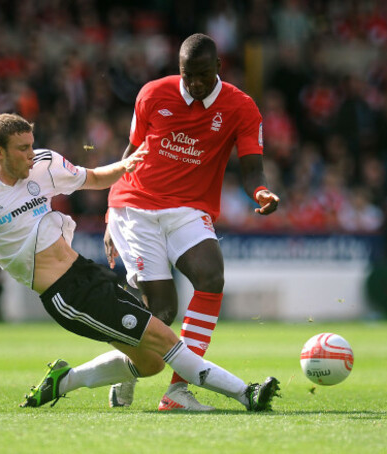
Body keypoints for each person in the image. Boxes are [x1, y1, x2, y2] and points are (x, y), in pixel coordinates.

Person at [0, 113, 280, 412]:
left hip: (85, 273)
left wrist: (128, 165)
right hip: (66, 295)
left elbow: (94, 177)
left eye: (32, 144)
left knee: (151, 361)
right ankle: (246, 394)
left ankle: (63, 381)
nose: (32, 153)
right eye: (22, 148)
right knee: (165, 340)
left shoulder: (45, 164)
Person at [104, 33, 281, 411]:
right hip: (136, 204)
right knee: (163, 312)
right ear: (179, 70)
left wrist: (261, 192)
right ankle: (125, 371)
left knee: (211, 277)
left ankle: (178, 391)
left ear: (219, 68)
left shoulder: (242, 107)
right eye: (188, 76)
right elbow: (131, 152)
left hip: (188, 208)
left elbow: (252, 167)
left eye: (203, 74)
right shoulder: (152, 94)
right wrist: (109, 214)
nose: (196, 83)